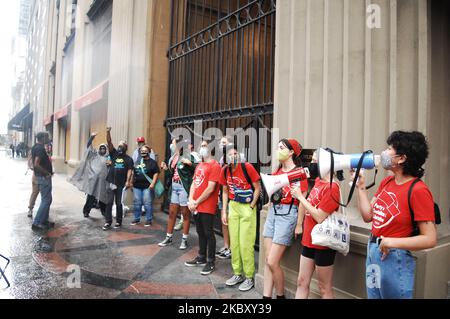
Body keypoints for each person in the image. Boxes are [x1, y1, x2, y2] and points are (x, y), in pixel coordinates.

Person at [353, 131, 437, 299]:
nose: (385, 151)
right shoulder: (387, 182)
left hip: (394, 257)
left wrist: (392, 241)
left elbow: (430, 238)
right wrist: (361, 188)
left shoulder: (419, 191)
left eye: (390, 148)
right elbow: (368, 216)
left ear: (402, 158)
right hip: (374, 251)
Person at [262, 138, 308, 299]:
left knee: (273, 261)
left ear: (291, 152)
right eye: (277, 147)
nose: (277, 150)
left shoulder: (298, 173)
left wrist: (299, 224)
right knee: (268, 260)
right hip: (273, 213)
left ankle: (280, 296)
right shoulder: (277, 171)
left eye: (281, 147)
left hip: (288, 214)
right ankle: (266, 296)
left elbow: (302, 200)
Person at [292, 150, 341, 299]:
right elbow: (308, 205)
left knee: (324, 288)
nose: (312, 164)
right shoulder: (319, 181)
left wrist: (300, 197)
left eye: (315, 161)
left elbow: (320, 216)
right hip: (309, 239)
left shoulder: (333, 188)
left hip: (323, 243)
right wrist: (299, 223)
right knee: (301, 281)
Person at [220, 144, 261, 291]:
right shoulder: (225, 170)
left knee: (245, 243)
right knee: (235, 244)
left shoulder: (247, 167)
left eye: (236, 153)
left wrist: (251, 206)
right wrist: (224, 211)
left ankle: (249, 277)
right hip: (233, 206)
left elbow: (258, 188)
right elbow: (225, 191)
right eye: (230, 154)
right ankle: (237, 273)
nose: (233, 156)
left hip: (247, 207)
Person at [184, 140, 221, 275]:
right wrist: (190, 200)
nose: (202, 148)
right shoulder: (200, 164)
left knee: (208, 233)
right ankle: (201, 257)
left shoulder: (215, 166)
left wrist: (196, 202)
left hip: (207, 206)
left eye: (205, 146)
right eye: (201, 146)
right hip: (196, 205)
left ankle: (210, 261)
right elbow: (194, 183)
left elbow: (211, 188)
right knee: (200, 232)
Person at [158, 138, 198, 249]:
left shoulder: (190, 156)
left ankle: (184, 240)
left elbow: (199, 169)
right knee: (172, 213)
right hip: (174, 187)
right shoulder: (174, 157)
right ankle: (168, 237)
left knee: (185, 214)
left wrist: (191, 164)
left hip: (184, 188)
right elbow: (173, 173)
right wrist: (166, 168)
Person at [69, 132, 109, 218]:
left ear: (106, 149)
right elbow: (88, 147)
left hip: (103, 182)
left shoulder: (108, 158)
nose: (102, 150)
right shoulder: (94, 155)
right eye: (101, 148)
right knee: (91, 198)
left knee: (102, 198)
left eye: (104, 148)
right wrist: (91, 138)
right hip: (93, 182)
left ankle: (104, 212)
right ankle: (86, 211)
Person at [103, 127, 134, 231]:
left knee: (119, 203)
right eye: (119, 145)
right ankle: (108, 222)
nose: (120, 147)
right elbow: (109, 142)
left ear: (126, 147)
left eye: (122, 145)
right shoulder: (114, 154)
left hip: (121, 184)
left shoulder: (129, 159)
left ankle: (118, 221)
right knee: (109, 202)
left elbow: (130, 170)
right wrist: (108, 132)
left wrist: (128, 181)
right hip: (111, 182)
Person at [130, 144, 160, 227]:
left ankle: (148, 219)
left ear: (149, 152)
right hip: (136, 186)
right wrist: (131, 182)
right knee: (137, 203)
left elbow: (156, 173)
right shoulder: (137, 161)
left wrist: (153, 183)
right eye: (141, 151)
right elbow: (133, 173)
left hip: (147, 186)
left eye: (145, 151)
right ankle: (136, 218)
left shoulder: (152, 162)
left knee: (147, 203)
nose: (143, 152)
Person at [31, 132, 54, 232]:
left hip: (40, 177)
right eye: (47, 137)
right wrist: (47, 173)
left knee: (47, 199)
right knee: (46, 200)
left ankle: (43, 220)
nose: (48, 138)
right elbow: (36, 164)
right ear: (43, 138)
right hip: (43, 178)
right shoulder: (40, 148)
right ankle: (37, 222)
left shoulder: (35, 147)